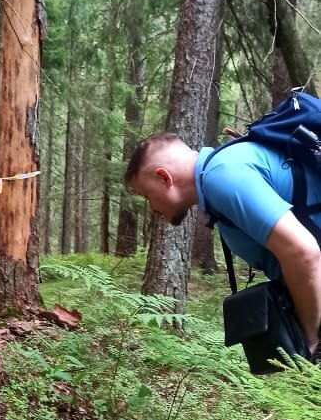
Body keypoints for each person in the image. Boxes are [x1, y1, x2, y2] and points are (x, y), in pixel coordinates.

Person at [124, 133, 321, 358]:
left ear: (164, 177)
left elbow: (303, 253)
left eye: (147, 196)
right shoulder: (223, 172)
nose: (152, 208)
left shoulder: (223, 176)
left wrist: (309, 341)